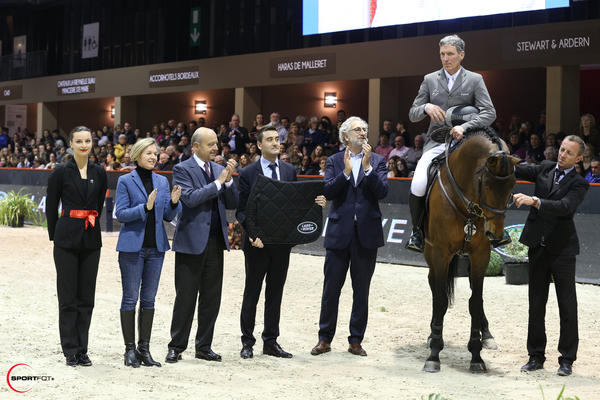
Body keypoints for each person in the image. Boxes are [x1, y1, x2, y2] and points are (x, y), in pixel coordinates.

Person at [236, 126, 326, 359]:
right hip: (256, 244)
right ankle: (247, 342)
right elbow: (242, 211)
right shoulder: (247, 173)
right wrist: (253, 235)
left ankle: (271, 341)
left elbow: (294, 206)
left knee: (275, 293)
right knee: (252, 293)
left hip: (281, 245)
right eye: (270, 139)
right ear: (259, 145)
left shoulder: (289, 170)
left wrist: (317, 203)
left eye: (277, 139)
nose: (276, 143)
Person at [406, 34, 496, 252]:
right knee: (417, 183)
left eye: (450, 54)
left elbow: (489, 112)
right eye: (442, 54)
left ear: (461, 55)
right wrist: (426, 107)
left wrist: (465, 127)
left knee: (489, 178)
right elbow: (412, 114)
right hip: (437, 140)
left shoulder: (475, 80)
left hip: (467, 140)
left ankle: (493, 229)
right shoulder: (429, 79)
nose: (445, 58)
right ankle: (417, 231)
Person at [311, 117, 388, 357]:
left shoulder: (378, 160)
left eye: (365, 129)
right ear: (346, 136)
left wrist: (367, 168)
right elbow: (328, 191)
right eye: (358, 129)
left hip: (367, 234)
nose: (363, 132)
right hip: (338, 233)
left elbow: (383, 192)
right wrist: (346, 172)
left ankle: (356, 340)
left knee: (361, 290)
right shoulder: (334, 160)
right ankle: (324, 339)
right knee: (331, 289)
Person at [513, 135, 589, 377]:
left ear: (578, 158)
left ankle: (567, 359)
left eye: (568, 152)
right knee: (536, 303)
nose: (562, 154)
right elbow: (517, 168)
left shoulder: (579, 184)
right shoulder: (545, 168)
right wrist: (498, 154)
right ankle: (535, 356)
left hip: (562, 250)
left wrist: (534, 201)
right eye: (562, 149)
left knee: (567, 305)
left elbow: (565, 207)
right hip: (538, 246)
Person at [165, 127, 238, 363]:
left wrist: (228, 183)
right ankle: (176, 346)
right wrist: (218, 182)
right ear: (196, 147)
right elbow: (191, 199)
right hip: (190, 243)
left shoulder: (220, 169)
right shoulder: (182, 168)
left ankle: (204, 346)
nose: (216, 148)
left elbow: (233, 202)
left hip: (216, 242)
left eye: (216, 143)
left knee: (211, 297)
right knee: (185, 296)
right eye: (210, 144)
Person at [115, 138, 182, 368]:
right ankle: (130, 350)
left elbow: (167, 215)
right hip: (132, 248)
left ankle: (145, 349)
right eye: (148, 153)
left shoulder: (162, 181)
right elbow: (121, 213)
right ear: (137, 155)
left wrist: (174, 203)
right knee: (130, 298)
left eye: (156, 153)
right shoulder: (125, 180)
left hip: (156, 249)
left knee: (149, 299)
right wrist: (145, 208)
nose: (153, 157)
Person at [46, 126, 108, 366]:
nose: (84, 144)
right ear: (71, 144)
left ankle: (83, 349)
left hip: (91, 240)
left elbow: (99, 203)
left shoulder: (99, 172)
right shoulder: (60, 171)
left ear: (92, 144)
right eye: (79, 141)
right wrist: (56, 235)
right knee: (68, 297)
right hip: (65, 241)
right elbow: (52, 207)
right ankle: (70, 349)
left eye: (88, 140)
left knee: (86, 298)